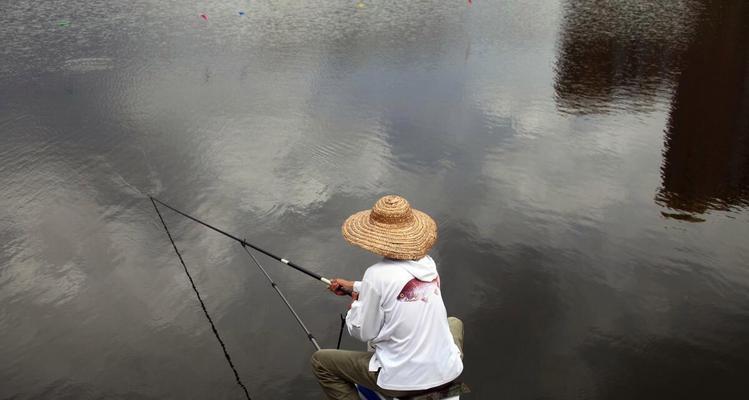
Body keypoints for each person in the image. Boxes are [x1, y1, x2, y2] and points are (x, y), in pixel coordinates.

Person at [311, 195, 464, 400]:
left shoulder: (377, 274)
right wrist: (354, 286)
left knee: (321, 363)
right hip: (448, 372)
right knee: (454, 322)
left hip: (402, 381)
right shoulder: (428, 265)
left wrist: (356, 306)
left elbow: (363, 332)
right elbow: (400, 291)